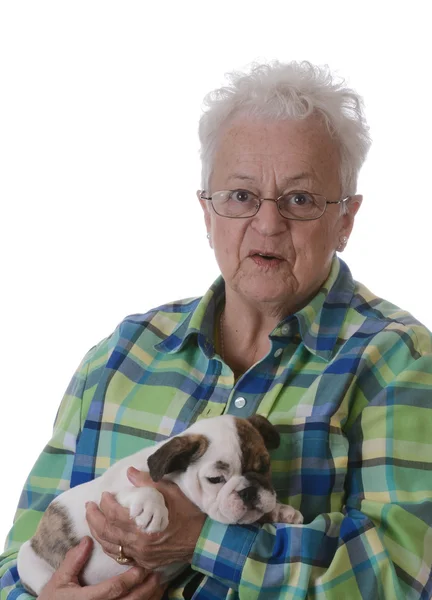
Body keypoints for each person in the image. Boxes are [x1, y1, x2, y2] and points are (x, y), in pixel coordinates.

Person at [1, 60, 431, 600]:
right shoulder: (121, 357)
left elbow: (401, 579)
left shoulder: (400, 363)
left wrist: (203, 539)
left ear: (345, 219)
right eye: (241, 196)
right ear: (207, 214)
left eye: (300, 199)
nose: (268, 224)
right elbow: (20, 557)